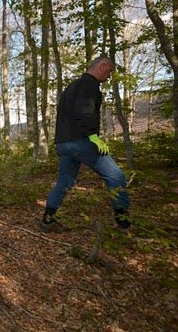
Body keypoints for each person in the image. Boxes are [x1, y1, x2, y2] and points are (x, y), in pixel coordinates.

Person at [40, 56, 131, 232]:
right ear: (103, 67)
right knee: (116, 176)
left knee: (64, 182)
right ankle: (123, 223)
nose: (109, 75)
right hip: (80, 141)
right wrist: (93, 136)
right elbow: (86, 110)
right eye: (110, 71)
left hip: (63, 143)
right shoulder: (90, 85)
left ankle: (47, 220)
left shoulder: (72, 86)